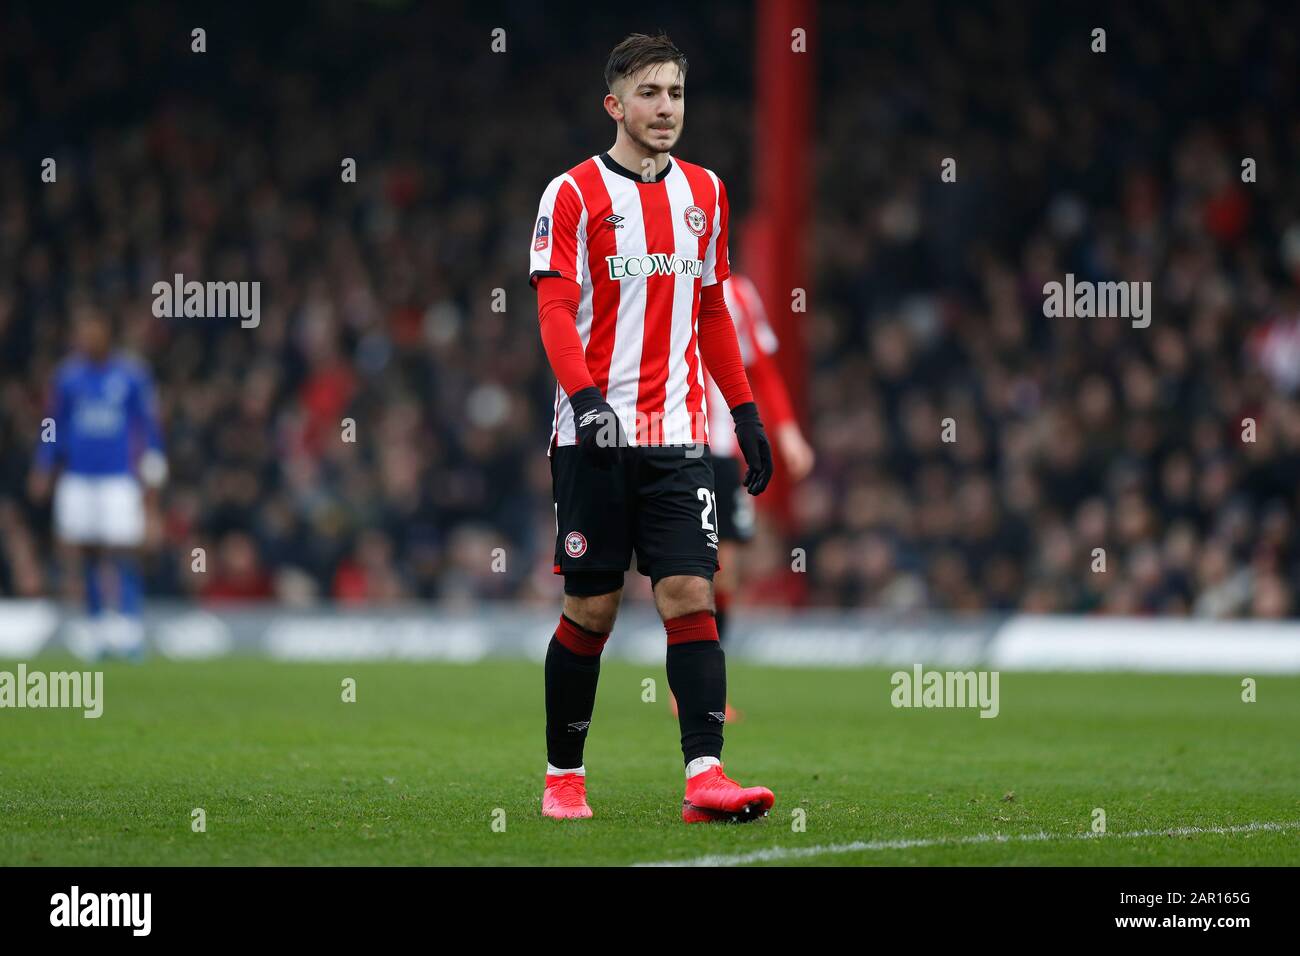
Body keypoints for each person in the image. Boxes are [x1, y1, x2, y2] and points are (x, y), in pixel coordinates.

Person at [530, 33, 775, 822]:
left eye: (674, 93)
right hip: (592, 439)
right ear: (616, 104)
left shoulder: (706, 192)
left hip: (676, 437)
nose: (665, 107)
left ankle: (705, 776)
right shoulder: (571, 195)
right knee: (591, 613)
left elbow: (712, 313)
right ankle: (563, 777)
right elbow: (555, 309)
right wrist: (587, 398)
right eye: (649, 93)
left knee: (689, 593)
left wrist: (744, 415)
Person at [28, 306, 166, 659]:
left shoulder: (132, 375)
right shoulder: (67, 378)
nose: (86, 338)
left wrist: (153, 468)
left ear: (107, 333)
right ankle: (96, 626)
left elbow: (147, 425)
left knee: (123, 550)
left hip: (118, 478)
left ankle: (130, 627)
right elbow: (52, 424)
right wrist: (44, 463)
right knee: (86, 550)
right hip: (79, 477)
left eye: (93, 330)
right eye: (82, 331)